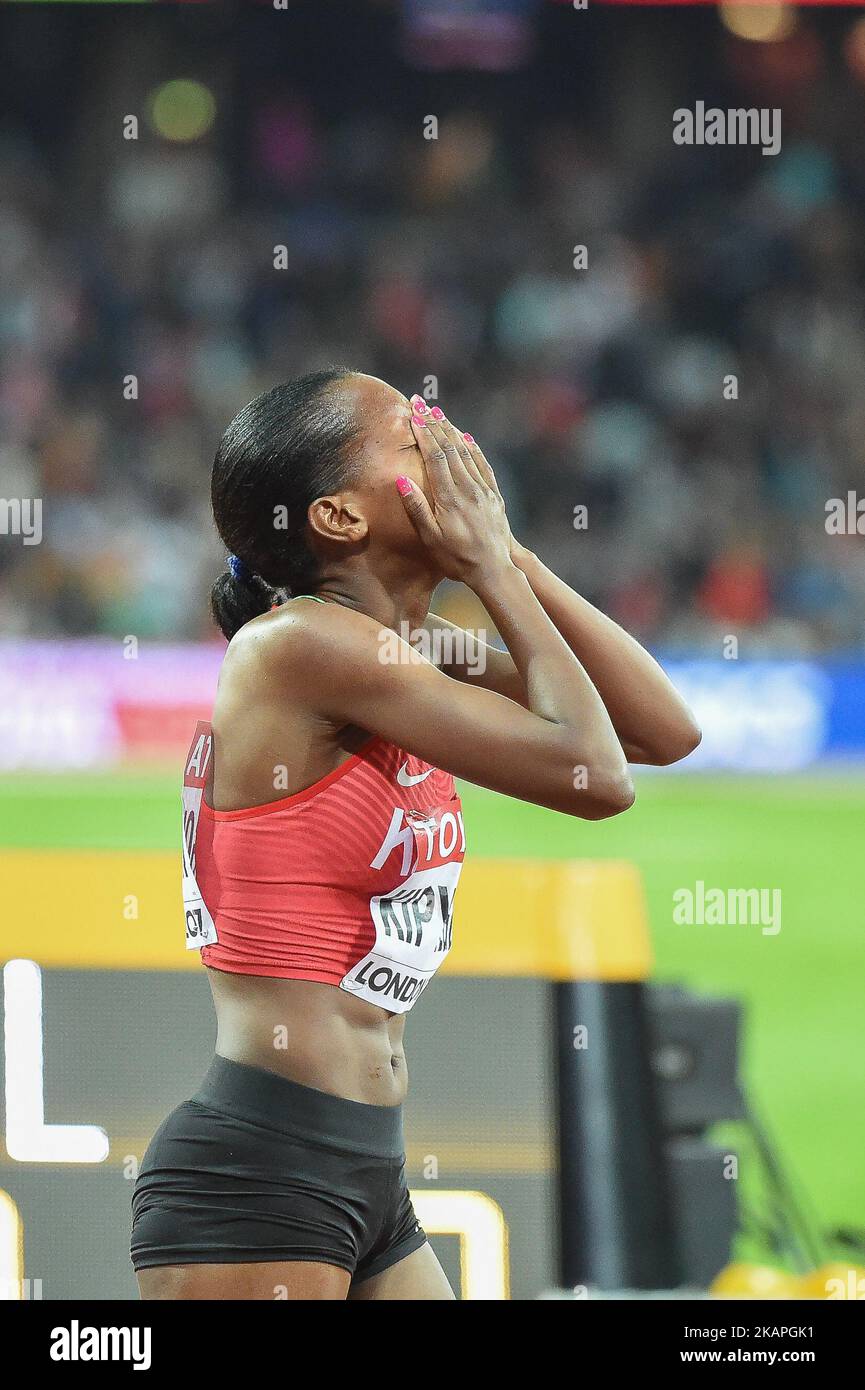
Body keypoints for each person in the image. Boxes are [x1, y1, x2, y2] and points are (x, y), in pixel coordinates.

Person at [130, 370, 700, 1300]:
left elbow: (660, 731)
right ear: (339, 518)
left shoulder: (410, 644)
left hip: (365, 1169)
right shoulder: (299, 648)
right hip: (260, 1175)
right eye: (413, 436)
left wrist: (507, 553)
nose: (450, 447)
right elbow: (594, 778)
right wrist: (489, 569)